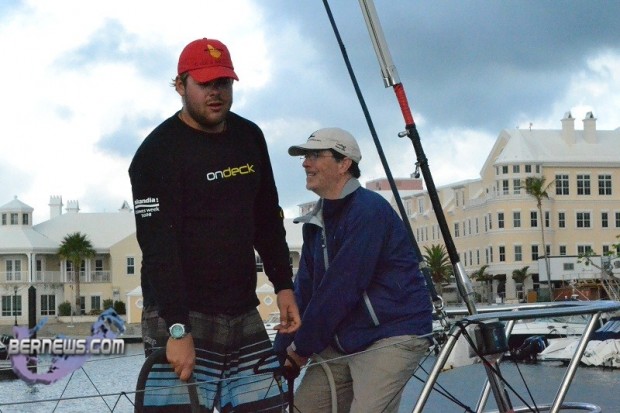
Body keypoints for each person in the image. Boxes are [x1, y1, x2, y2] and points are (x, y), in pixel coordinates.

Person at [129, 37, 300, 412]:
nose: (215, 92)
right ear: (180, 85)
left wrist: (284, 287)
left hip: (242, 310)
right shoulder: (155, 153)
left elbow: (267, 218)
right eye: (204, 83)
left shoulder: (249, 136)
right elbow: (158, 249)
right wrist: (178, 330)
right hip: (181, 314)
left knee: (269, 407)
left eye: (223, 82)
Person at [274, 127, 433, 413]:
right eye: (304, 157)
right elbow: (304, 292)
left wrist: (298, 351)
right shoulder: (315, 222)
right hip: (344, 339)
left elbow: (341, 288)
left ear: (344, 163)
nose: (305, 164)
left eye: (314, 156)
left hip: (391, 333)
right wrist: (279, 352)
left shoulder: (369, 211)